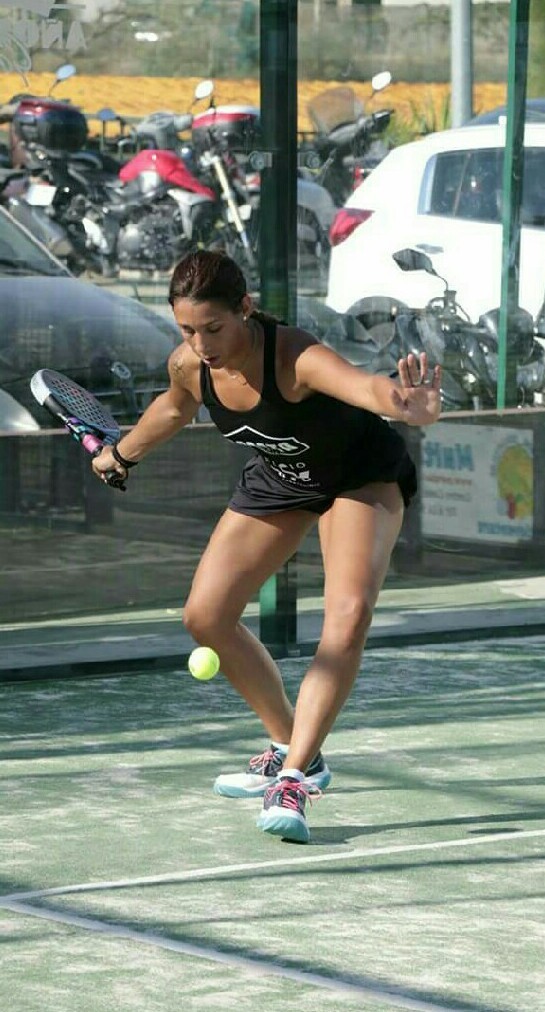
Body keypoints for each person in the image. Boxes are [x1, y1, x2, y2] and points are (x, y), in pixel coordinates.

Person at [92, 249, 441, 844]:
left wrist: (409, 405)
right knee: (205, 617)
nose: (201, 343)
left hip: (358, 477)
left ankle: (295, 778)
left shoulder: (294, 357)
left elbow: (365, 388)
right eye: (187, 330)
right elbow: (174, 408)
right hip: (280, 478)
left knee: (348, 616)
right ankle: (290, 743)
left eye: (213, 328)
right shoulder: (190, 364)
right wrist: (122, 455)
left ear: (245, 309)